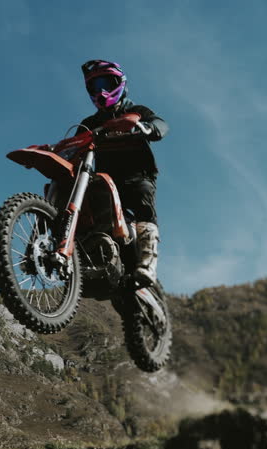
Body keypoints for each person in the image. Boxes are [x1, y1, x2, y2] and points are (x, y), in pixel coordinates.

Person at [76, 59, 169, 287]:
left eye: (106, 83)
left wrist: (146, 127)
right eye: (95, 87)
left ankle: (148, 264)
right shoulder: (89, 123)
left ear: (120, 83)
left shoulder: (135, 111)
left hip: (137, 175)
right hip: (104, 180)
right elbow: (74, 144)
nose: (102, 91)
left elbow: (160, 124)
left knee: (142, 197)